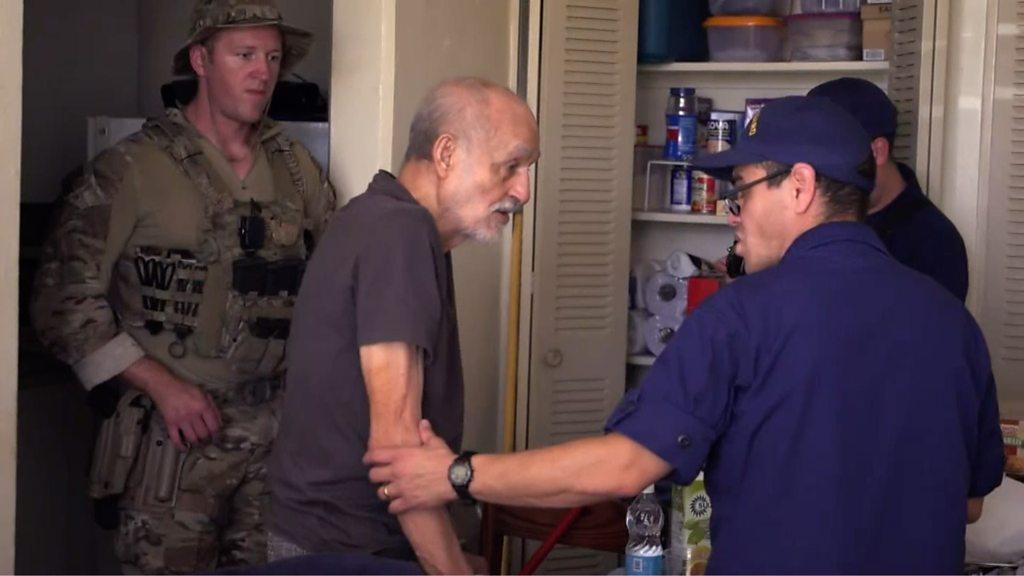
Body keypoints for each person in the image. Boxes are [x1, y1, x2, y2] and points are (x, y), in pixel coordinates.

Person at [364, 96, 1006, 574]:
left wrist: (456, 472)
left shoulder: (740, 317)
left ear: (802, 186)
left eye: (743, 191)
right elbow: (970, 503)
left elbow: (624, 466)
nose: (734, 215)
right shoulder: (953, 323)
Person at [30, 1, 336, 572]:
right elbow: (61, 305)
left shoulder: (295, 168)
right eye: (244, 55)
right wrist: (163, 386)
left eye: (272, 58)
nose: (262, 72)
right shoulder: (130, 170)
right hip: (174, 442)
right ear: (200, 59)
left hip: (276, 440)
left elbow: (338, 282)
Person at [266, 77, 540, 574]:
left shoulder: (380, 218)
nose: (522, 191)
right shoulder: (401, 232)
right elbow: (396, 448)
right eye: (511, 166)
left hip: (328, 538)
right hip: (347, 549)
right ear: (446, 153)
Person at [808, 76, 970, 302]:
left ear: (878, 151)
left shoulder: (933, 241)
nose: (816, 172)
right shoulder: (813, 216)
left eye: (831, 156)